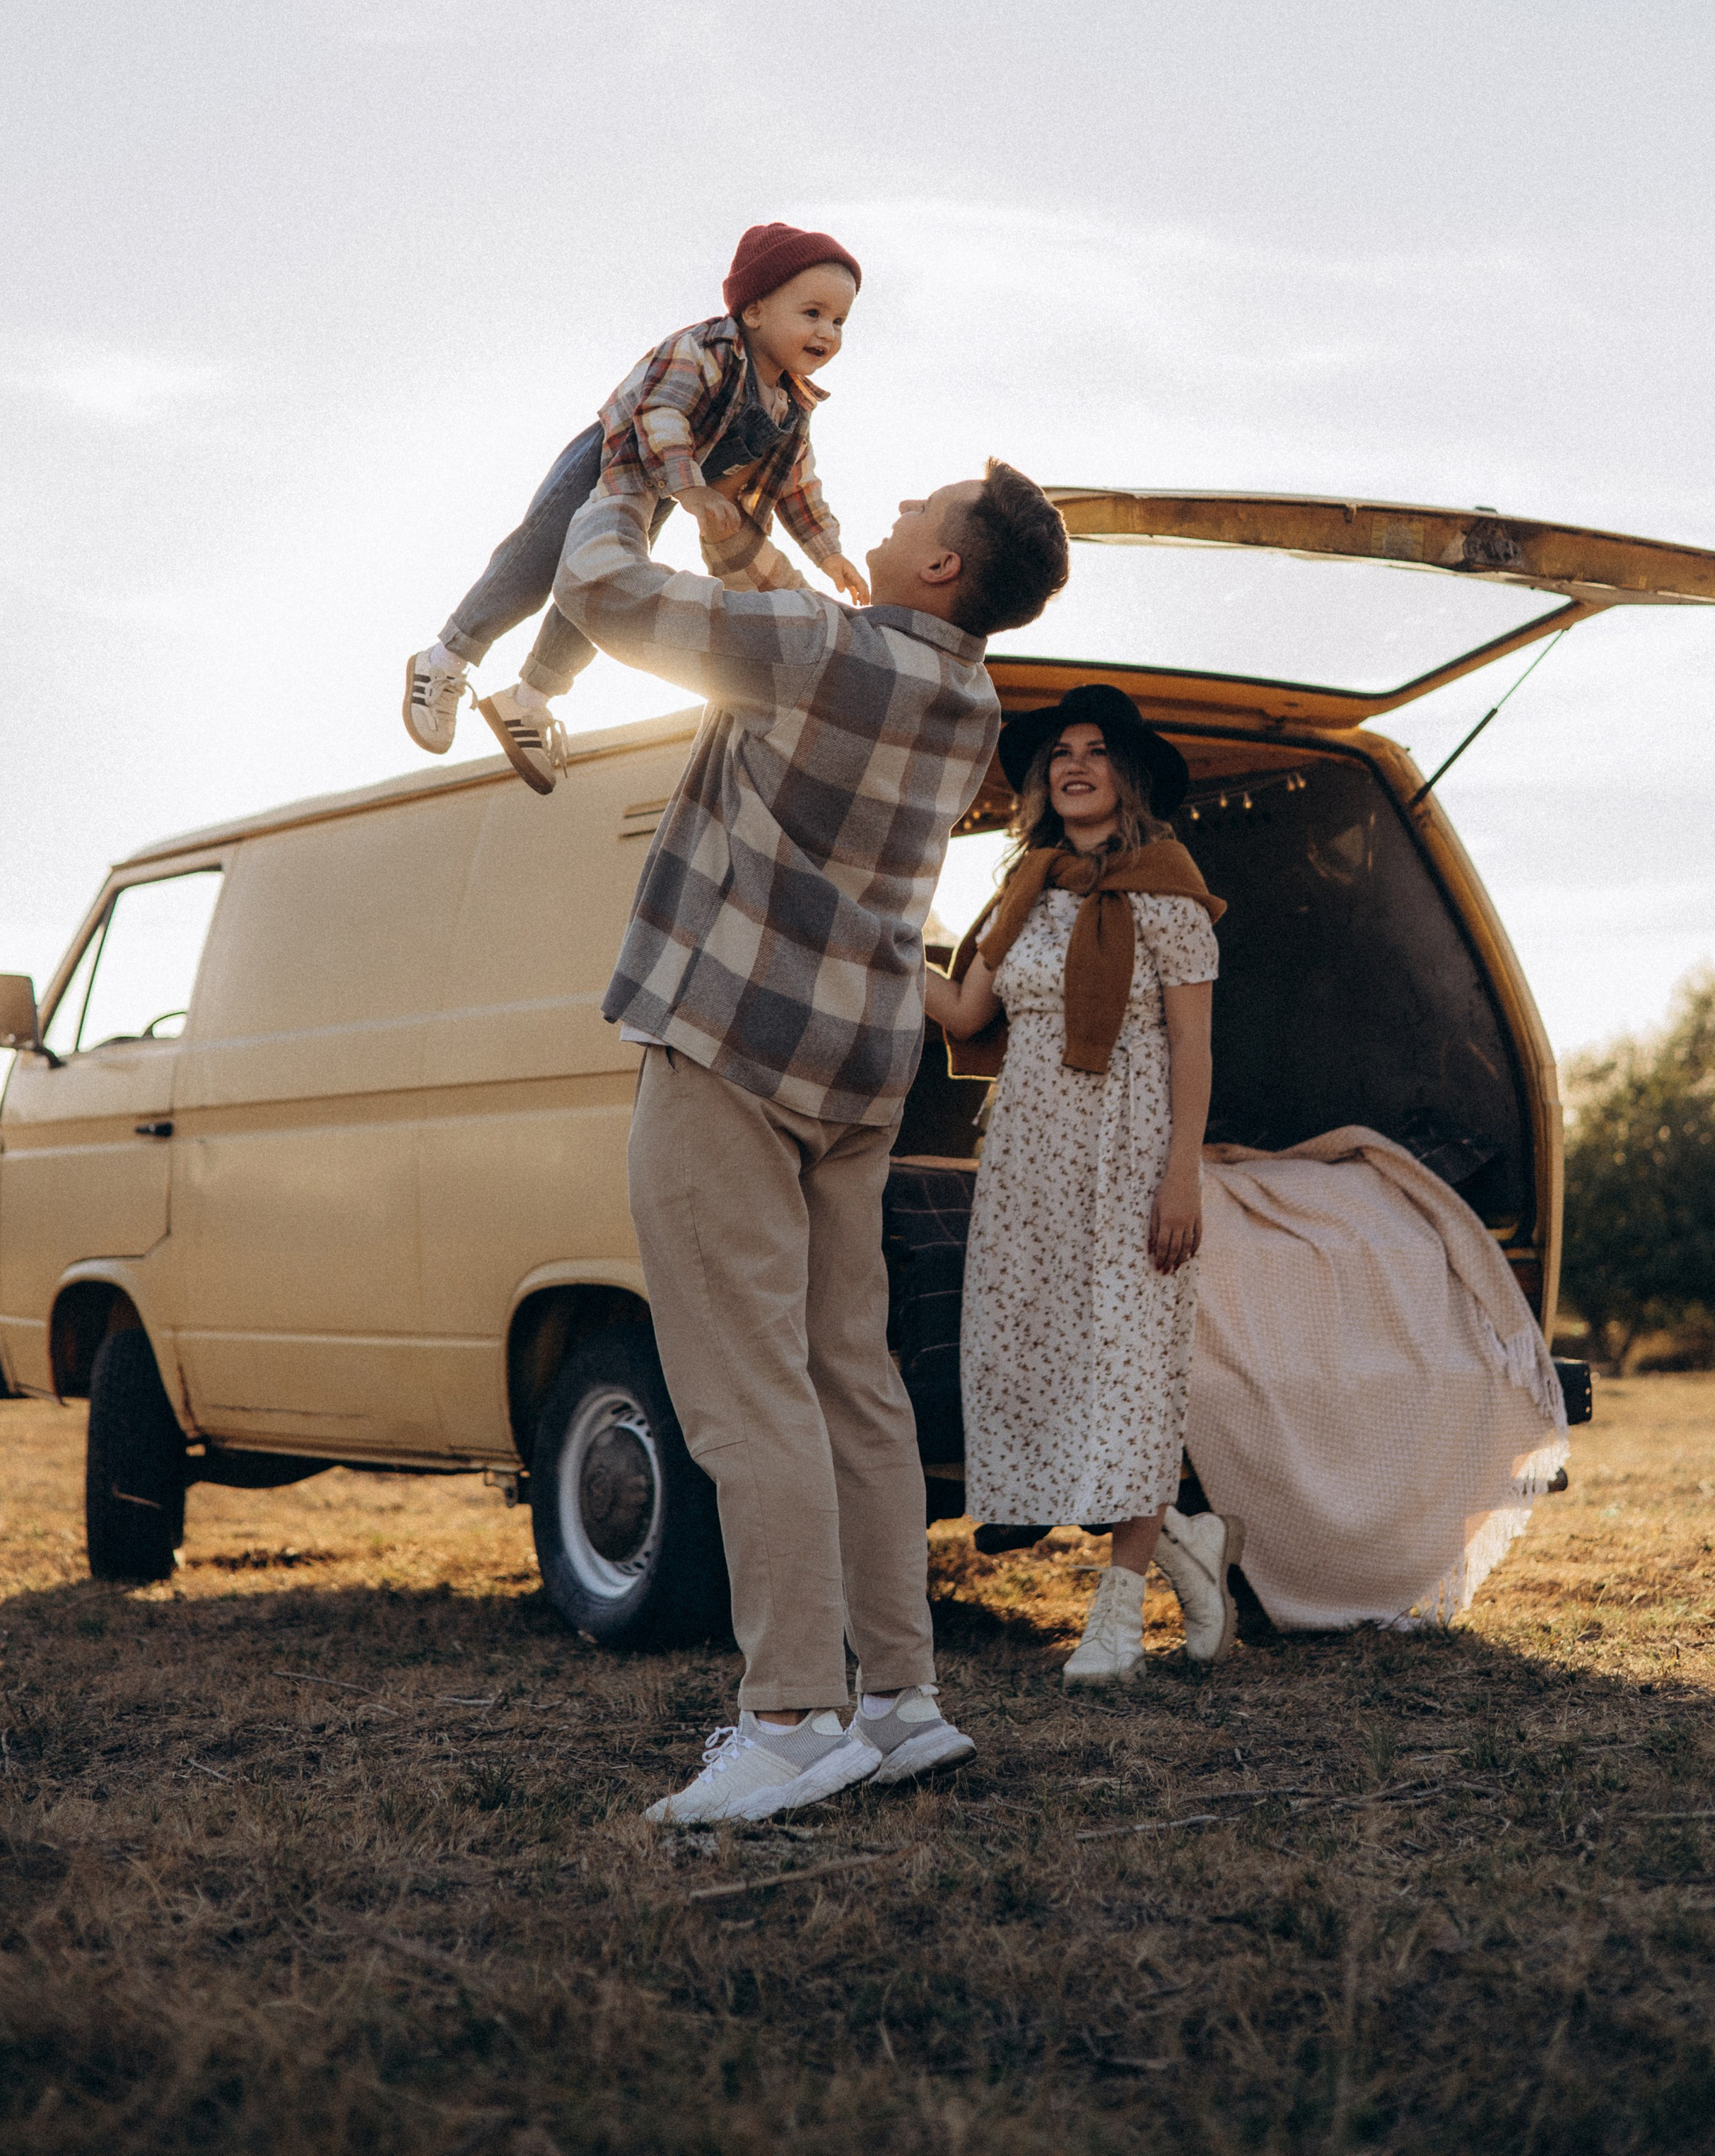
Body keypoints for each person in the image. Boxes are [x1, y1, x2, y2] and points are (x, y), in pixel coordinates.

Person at [551, 453, 1072, 1823]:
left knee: (742, 1391)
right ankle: (898, 1700)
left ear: (945, 566)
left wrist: (626, 475)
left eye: (917, 513)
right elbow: (800, 641)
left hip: (729, 1046)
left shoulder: (822, 649)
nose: (891, 513)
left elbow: (601, 590)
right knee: (852, 1383)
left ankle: (786, 1717)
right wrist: (751, 542)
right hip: (855, 1073)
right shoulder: (963, 697)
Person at [922, 683, 1241, 1677]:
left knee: (1130, 1372)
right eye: (1059, 751)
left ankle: (1114, 1620)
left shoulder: (1171, 891)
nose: (1074, 764)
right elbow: (968, 1013)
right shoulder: (1023, 887)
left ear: (1128, 774)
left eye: (1097, 750)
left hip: (1136, 1150)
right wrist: (876, 944)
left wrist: (1180, 1178)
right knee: (1040, 1363)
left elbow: (1194, 1049)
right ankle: (1188, 1541)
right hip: (1028, 1159)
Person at [402, 223, 872, 793]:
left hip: (659, 491)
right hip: (613, 460)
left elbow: (798, 483)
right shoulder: (703, 349)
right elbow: (662, 414)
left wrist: (830, 554)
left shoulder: (790, 406)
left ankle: (529, 699)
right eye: (813, 312)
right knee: (539, 560)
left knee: (603, 587)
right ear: (754, 311)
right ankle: (446, 659)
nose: (828, 331)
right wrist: (691, 487)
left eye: (839, 321)